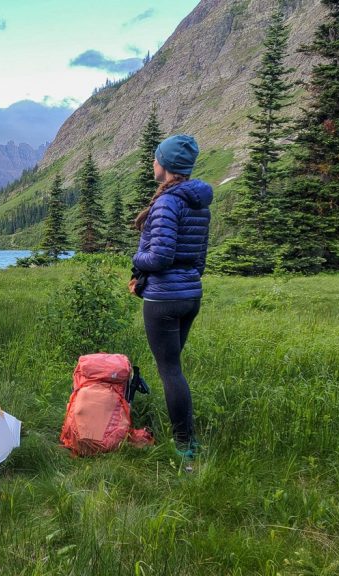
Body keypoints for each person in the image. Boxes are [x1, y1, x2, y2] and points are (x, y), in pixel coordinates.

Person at [130, 134, 213, 461]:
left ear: (166, 166)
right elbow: (200, 259)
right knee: (173, 368)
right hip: (190, 295)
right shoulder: (199, 203)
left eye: (156, 158)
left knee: (170, 371)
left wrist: (137, 262)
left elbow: (160, 257)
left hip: (164, 299)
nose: (153, 163)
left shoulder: (166, 202)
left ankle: (185, 445)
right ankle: (185, 439)